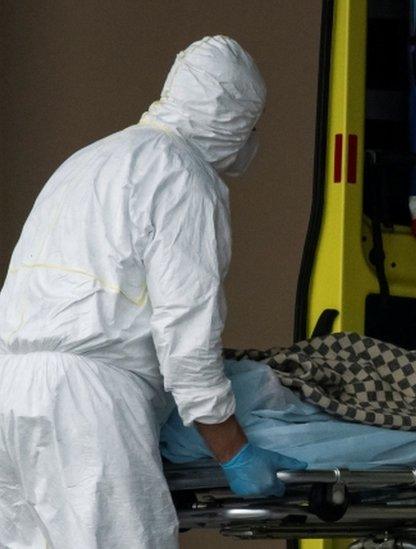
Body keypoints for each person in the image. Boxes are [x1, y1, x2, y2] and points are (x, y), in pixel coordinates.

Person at [0, 36, 306, 549]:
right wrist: (233, 452)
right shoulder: (183, 177)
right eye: (251, 125)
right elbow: (187, 341)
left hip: (9, 393)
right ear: (232, 118)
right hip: (88, 403)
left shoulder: (90, 159)